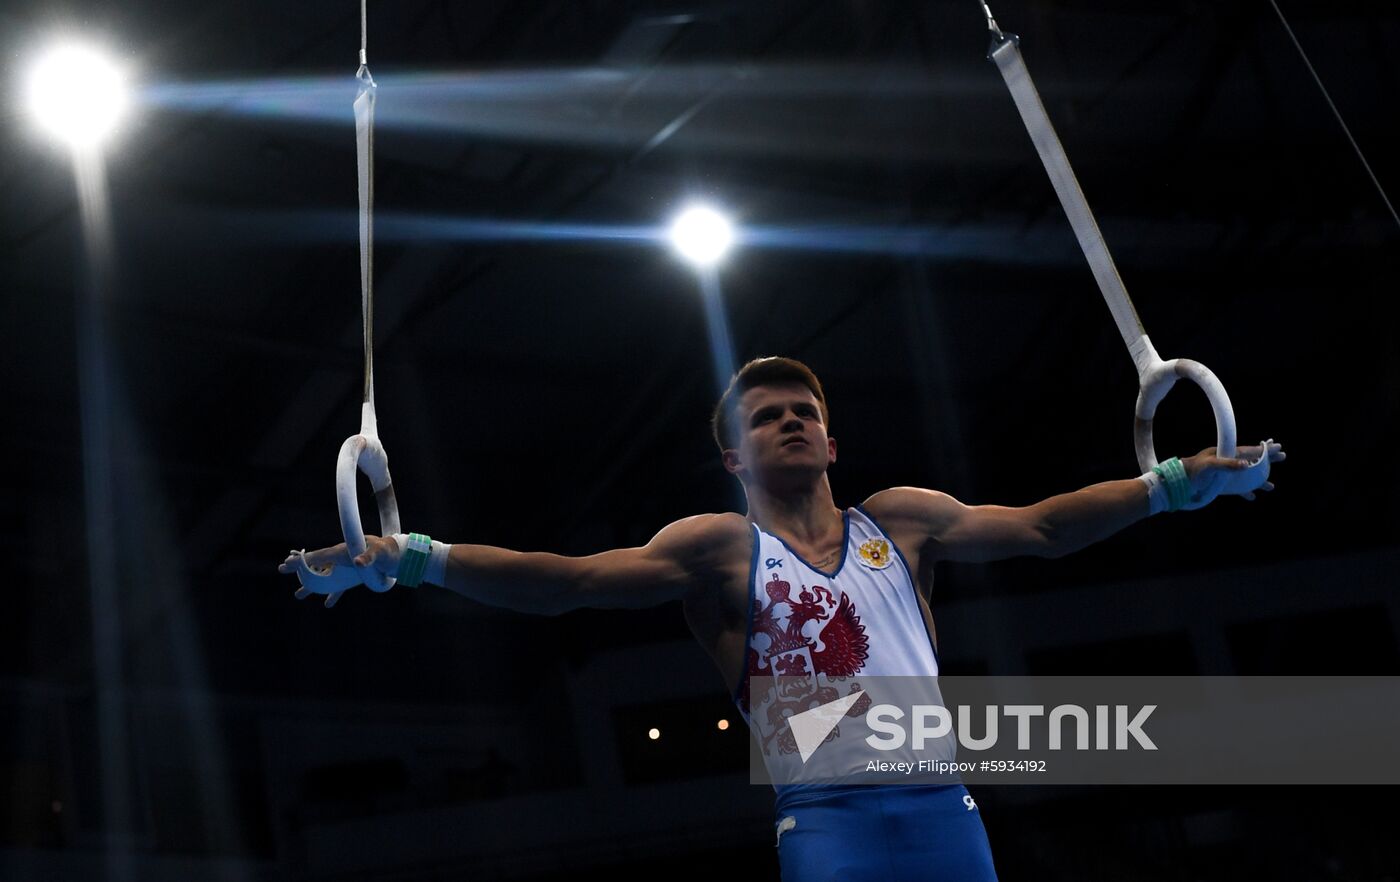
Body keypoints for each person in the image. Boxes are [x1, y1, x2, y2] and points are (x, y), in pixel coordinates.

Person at [279, 355, 1283, 881]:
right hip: (829, 826)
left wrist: (1173, 484)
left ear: (831, 440)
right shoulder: (718, 549)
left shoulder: (903, 524)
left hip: (947, 818)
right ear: (733, 460)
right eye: (765, 417)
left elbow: (1039, 527)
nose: (789, 421)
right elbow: (571, 580)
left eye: (801, 410)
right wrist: (409, 559)